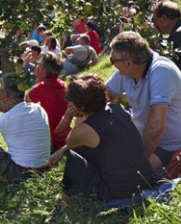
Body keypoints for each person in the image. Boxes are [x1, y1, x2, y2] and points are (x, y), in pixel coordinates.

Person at [49, 73, 161, 201]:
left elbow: (71, 142)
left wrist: (72, 115)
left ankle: (65, 201)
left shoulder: (87, 129)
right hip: (145, 182)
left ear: (80, 105)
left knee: (73, 158)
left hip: (118, 194)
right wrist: (62, 150)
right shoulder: (118, 110)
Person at [105, 31, 181, 171]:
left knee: (128, 175)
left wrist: (136, 162)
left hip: (169, 145)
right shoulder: (127, 72)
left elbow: (156, 127)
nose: (112, 64)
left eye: (113, 60)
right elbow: (102, 97)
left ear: (128, 63)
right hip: (140, 138)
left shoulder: (161, 72)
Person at [27, 52, 71, 152]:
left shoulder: (42, 86)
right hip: (65, 137)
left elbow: (26, 102)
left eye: (37, 64)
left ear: (43, 68)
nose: (36, 66)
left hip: (52, 141)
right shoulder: (62, 84)